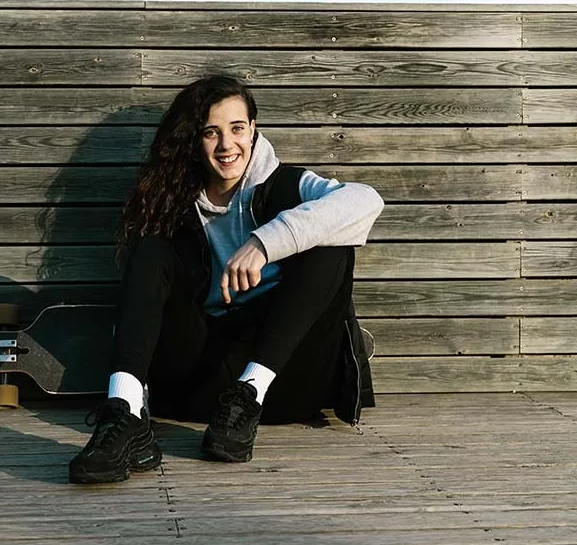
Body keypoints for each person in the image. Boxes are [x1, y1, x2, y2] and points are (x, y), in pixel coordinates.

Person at [68, 76, 384, 484]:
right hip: (199, 383)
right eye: (211, 132)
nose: (226, 145)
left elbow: (366, 199)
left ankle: (247, 393)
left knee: (331, 245)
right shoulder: (174, 204)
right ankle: (125, 415)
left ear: (254, 129)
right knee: (149, 249)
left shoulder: (287, 184)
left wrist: (264, 242)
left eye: (237, 128)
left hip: (283, 383)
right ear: (194, 140)